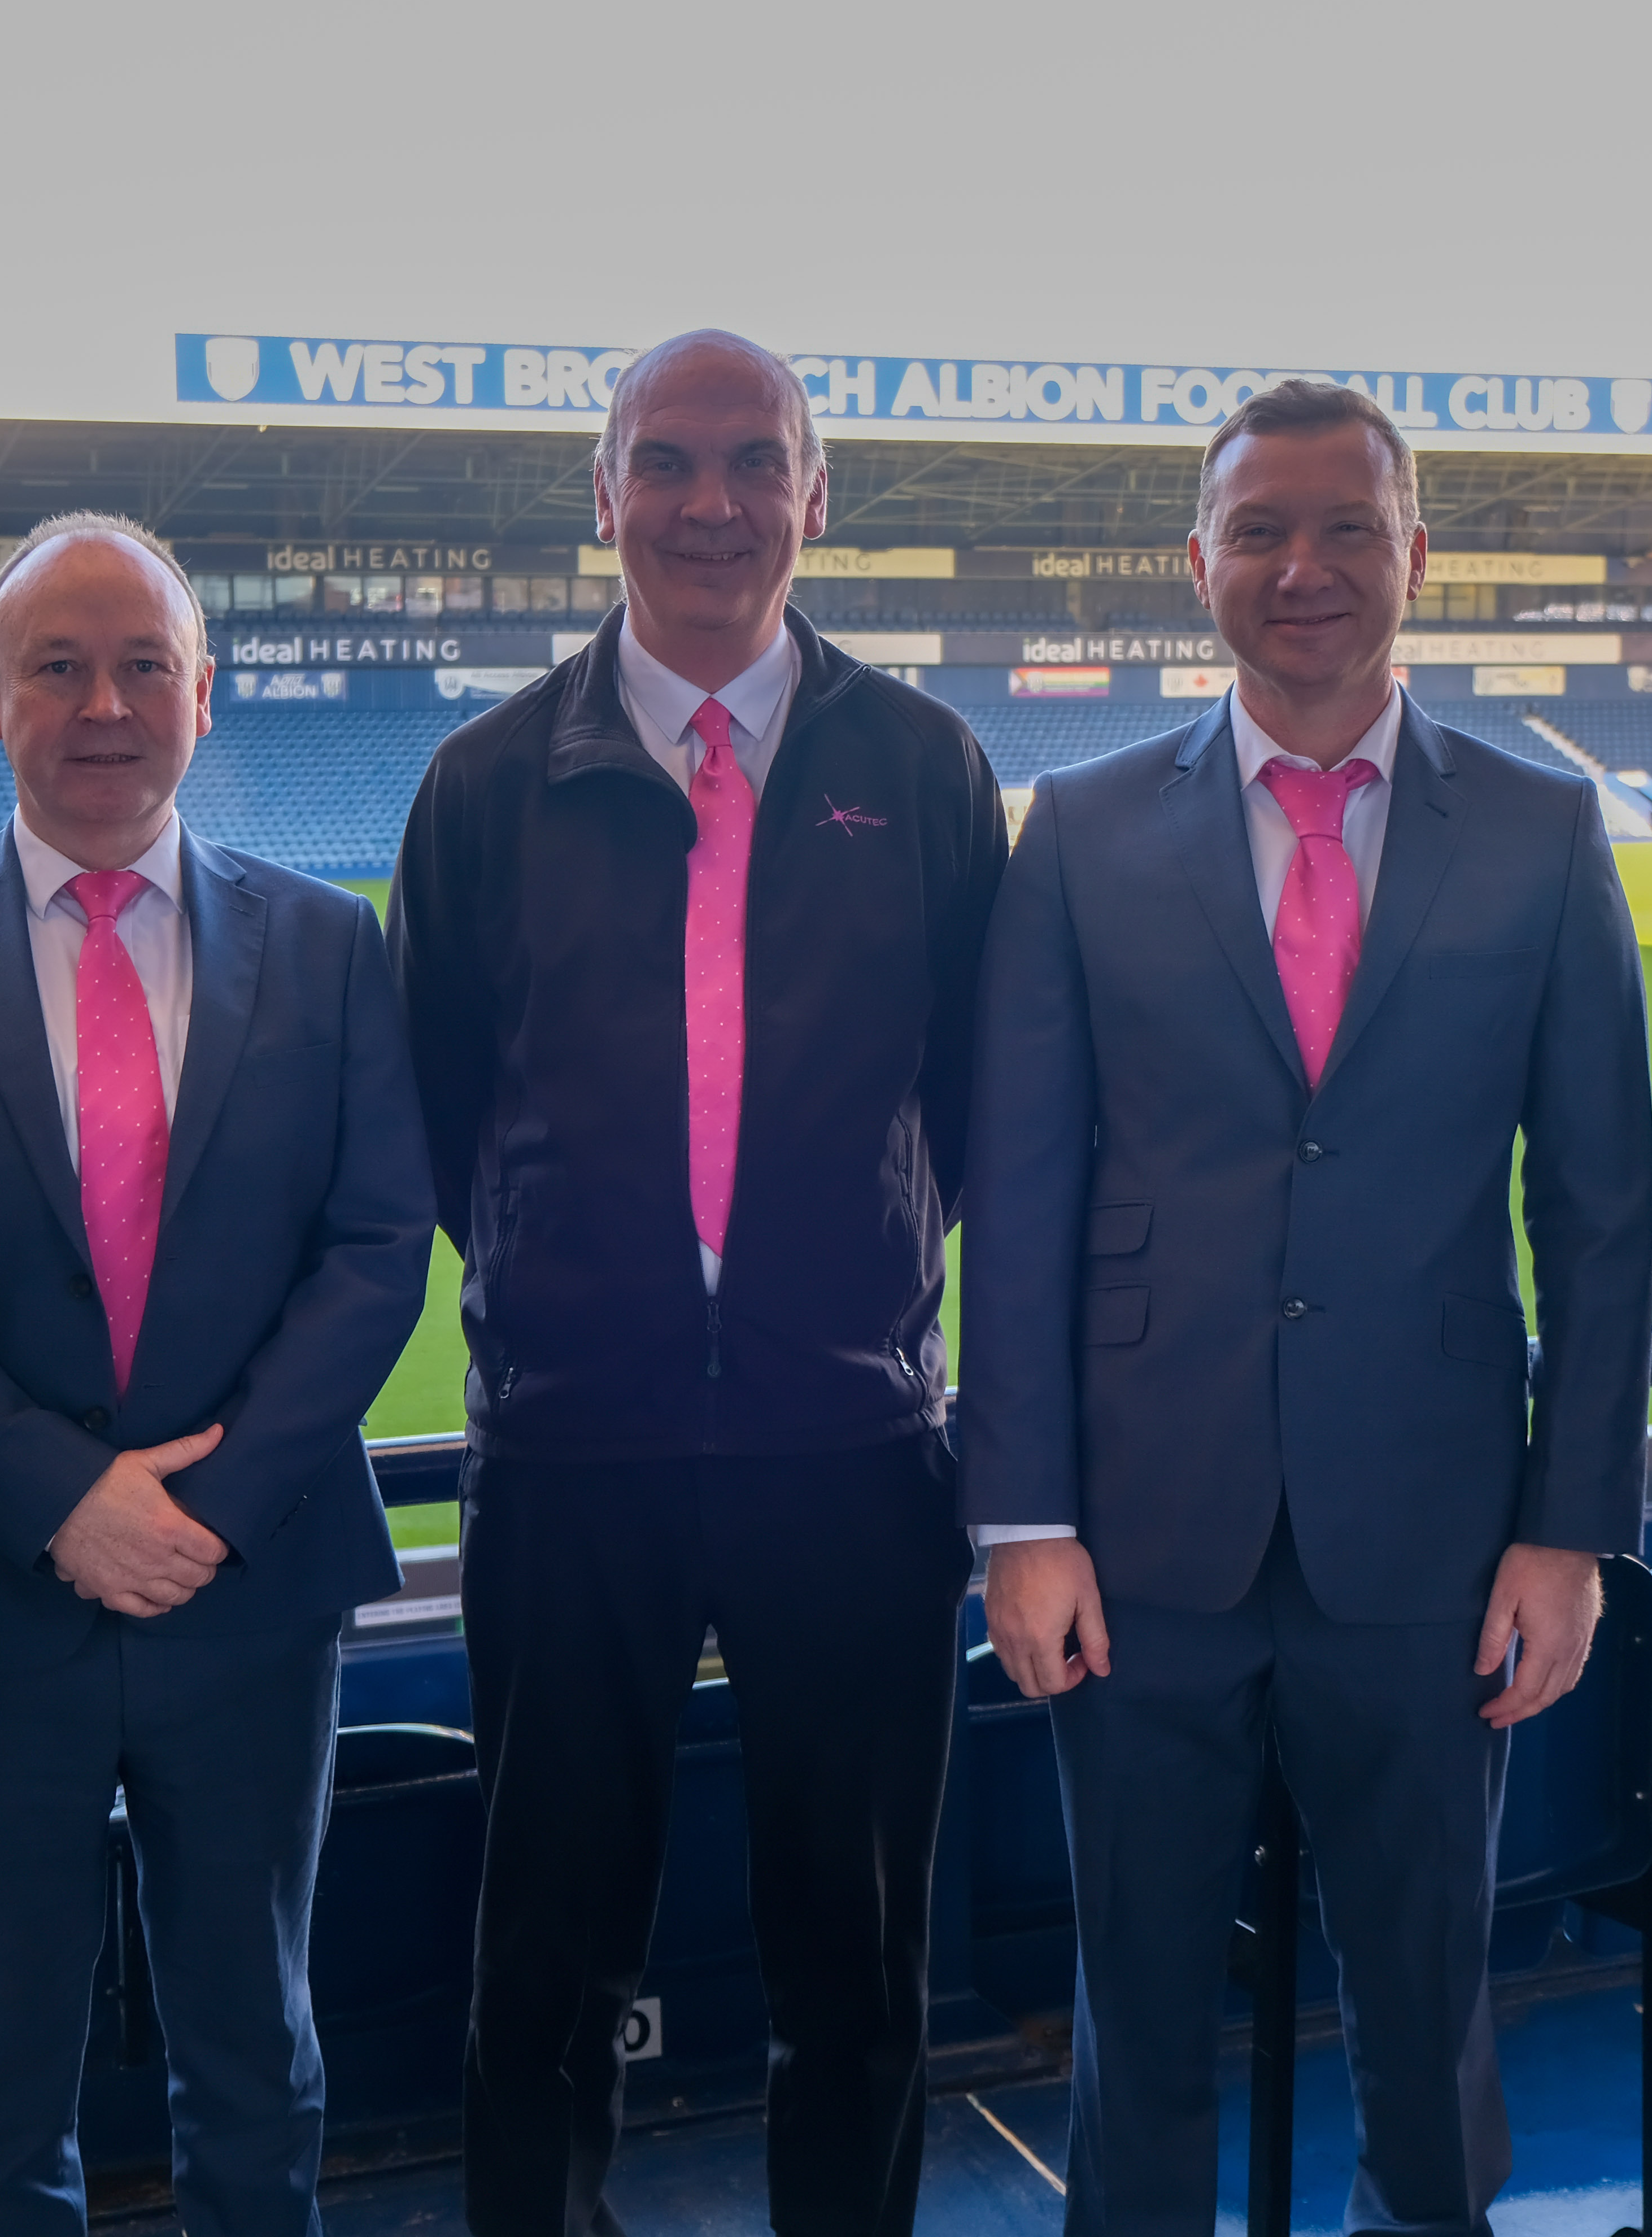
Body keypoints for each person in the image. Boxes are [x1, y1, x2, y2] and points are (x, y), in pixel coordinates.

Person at [960, 380, 1652, 2236]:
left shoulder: (1541, 828)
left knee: (1428, 2006)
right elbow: (1013, 1196)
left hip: (1433, 1536)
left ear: (1415, 554)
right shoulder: (1085, 833)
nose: (1305, 567)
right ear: (1198, 563)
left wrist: (1569, 1534)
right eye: (1260, 528)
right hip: (1138, 1532)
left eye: (1348, 525)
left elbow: (1598, 1213)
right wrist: (1021, 1519)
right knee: (1140, 2008)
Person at [387, 329, 1009, 2237]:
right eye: (669, 461)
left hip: (853, 1451)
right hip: (578, 1458)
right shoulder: (488, 784)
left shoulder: (922, 766)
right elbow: (438, 1114)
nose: (713, 502)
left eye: (758, 463)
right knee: (543, 1969)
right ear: (606, 499)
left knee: (863, 1971)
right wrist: (579, 1308)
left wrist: (852, 1303)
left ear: (818, 501)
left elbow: (972, 1103)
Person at [0, 511, 431, 2235]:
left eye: (144, 662)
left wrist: (197, 1513)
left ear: (205, 696)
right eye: (57, 665)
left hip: (250, 1589)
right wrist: (63, 1503)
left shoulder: (327, 945)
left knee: (256, 2046)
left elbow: (378, 1251)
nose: (103, 702)